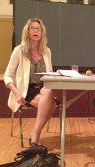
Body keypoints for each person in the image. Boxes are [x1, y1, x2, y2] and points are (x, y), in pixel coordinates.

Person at [4, 18, 56, 146]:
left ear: (42, 32)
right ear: (27, 32)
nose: (35, 31)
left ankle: (35, 134)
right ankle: (36, 136)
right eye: (32, 28)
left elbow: (49, 73)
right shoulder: (19, 50)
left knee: (48, 91)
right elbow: (7, 75)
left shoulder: (46, 51)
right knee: (52, 105)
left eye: (38, 29)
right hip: (25, 90)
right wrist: (17, 94)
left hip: (43, 88)